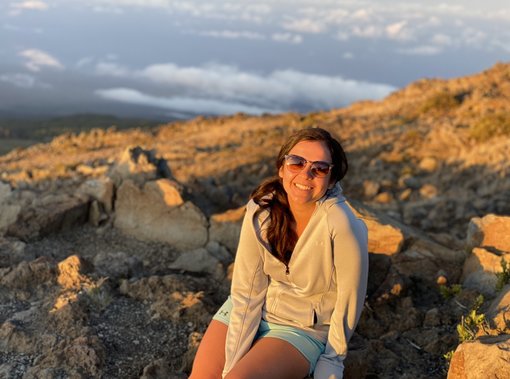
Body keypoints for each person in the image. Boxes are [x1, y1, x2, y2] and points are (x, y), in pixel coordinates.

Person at [190, 127, 369, 379]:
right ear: (282, 168)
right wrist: (232, 362)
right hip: (248, 309)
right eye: (296, 162)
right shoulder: (261, 210)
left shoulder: (342, 224)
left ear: (332, 179)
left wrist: (332, 360)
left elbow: (349, 301)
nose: (306, 173)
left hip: (301, 329)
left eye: (319, 168)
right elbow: (246, 289)